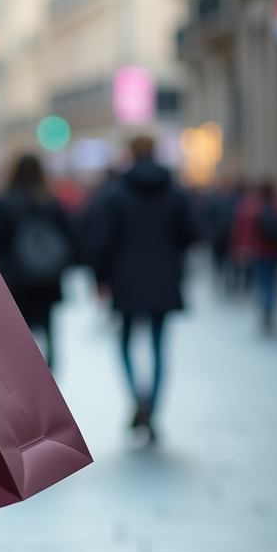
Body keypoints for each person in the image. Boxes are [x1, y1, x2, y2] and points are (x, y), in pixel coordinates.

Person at [91, 135, 197, 441]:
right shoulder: (175, 193)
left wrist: (101, 279)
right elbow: (191, 233)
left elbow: (102, 243)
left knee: (124, 341)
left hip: (125, 280)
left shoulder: (115, 194)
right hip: (164, 279)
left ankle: (137, 398)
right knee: (159, 345)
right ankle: (153, 406)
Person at [0, 153, 80, 369]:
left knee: (18, 329)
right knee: (48, 325)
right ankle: (50, 368)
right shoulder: (50, 202)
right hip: (47, 278)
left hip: (15, 279)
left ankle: (26, 370)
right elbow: (71, 237)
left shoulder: (3, 204)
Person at [230, 181, 277, 333]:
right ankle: (269, 309)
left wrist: (241, 248)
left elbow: (243, 229)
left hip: (258, 250)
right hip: (275, 251)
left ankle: (265, 309)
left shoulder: (251, 206)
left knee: (261, 282)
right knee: (272, 282)